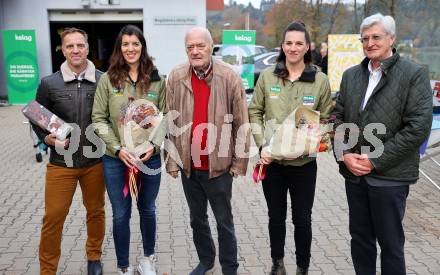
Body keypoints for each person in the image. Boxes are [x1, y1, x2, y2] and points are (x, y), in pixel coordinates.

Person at [332, 13, 432, 275]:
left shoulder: (414, 74)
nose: (370, 43)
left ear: (391, 38)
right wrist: (344, 155)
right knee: (361, 242)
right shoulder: (351, 75)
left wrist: (376, 159)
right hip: (355, 177)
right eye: (365, 38)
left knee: (391, 245)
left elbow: (418, 127)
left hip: (390, 178)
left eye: (376, 37)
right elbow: (338, 118)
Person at [248, 21, 332, 275]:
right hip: (272, 164)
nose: (293, 48)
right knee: (276, 217)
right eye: (288, 43)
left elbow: (328, 120)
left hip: (304, 166)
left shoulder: (320, 81)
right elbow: (254, 111)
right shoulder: (267, 76)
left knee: (302, 219)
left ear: (307, 47)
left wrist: (317, 142)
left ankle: (302, 267)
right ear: (282, 46)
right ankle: (278, 263)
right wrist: (262, 144)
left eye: (299, 43)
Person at [165, 26, 250, 275]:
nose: (195, 51)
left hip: (219, 167)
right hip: (189, 167)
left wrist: (238, 163)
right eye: (190, 47)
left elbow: (241, 123)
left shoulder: (229, 77)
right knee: (197, 219)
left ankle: (229, 267)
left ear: (211, 46)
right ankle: (206, 260)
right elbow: (170, 119)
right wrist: (172, 160)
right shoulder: (177, 76)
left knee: (224, 222)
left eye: (200, 45)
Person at [92, 25, 166, 275]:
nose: (130, 49)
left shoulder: (157, 78)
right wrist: (116, 148)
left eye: (135, 44)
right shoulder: (108, 79)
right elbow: (98, 118)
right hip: (116, 159)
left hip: (149, 158)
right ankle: (124, 265)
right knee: (120, 213)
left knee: (148, 209)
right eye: (125, 44)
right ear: (119, 48)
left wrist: (154, 147)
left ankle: (148, 259)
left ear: (142, 46)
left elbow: (164, 118)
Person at [32, 27, 105, 275]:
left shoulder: (103, 80)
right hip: (61, 165)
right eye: (70, 46)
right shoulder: (49, 83)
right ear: (62, 50)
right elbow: (36, 116)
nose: (75, 50)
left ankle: (94, 258)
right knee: (53, 218)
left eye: (80, 45)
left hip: (95, 163)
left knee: (95, 212)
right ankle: (47, 269)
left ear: (87, 48)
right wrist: (47, 138)